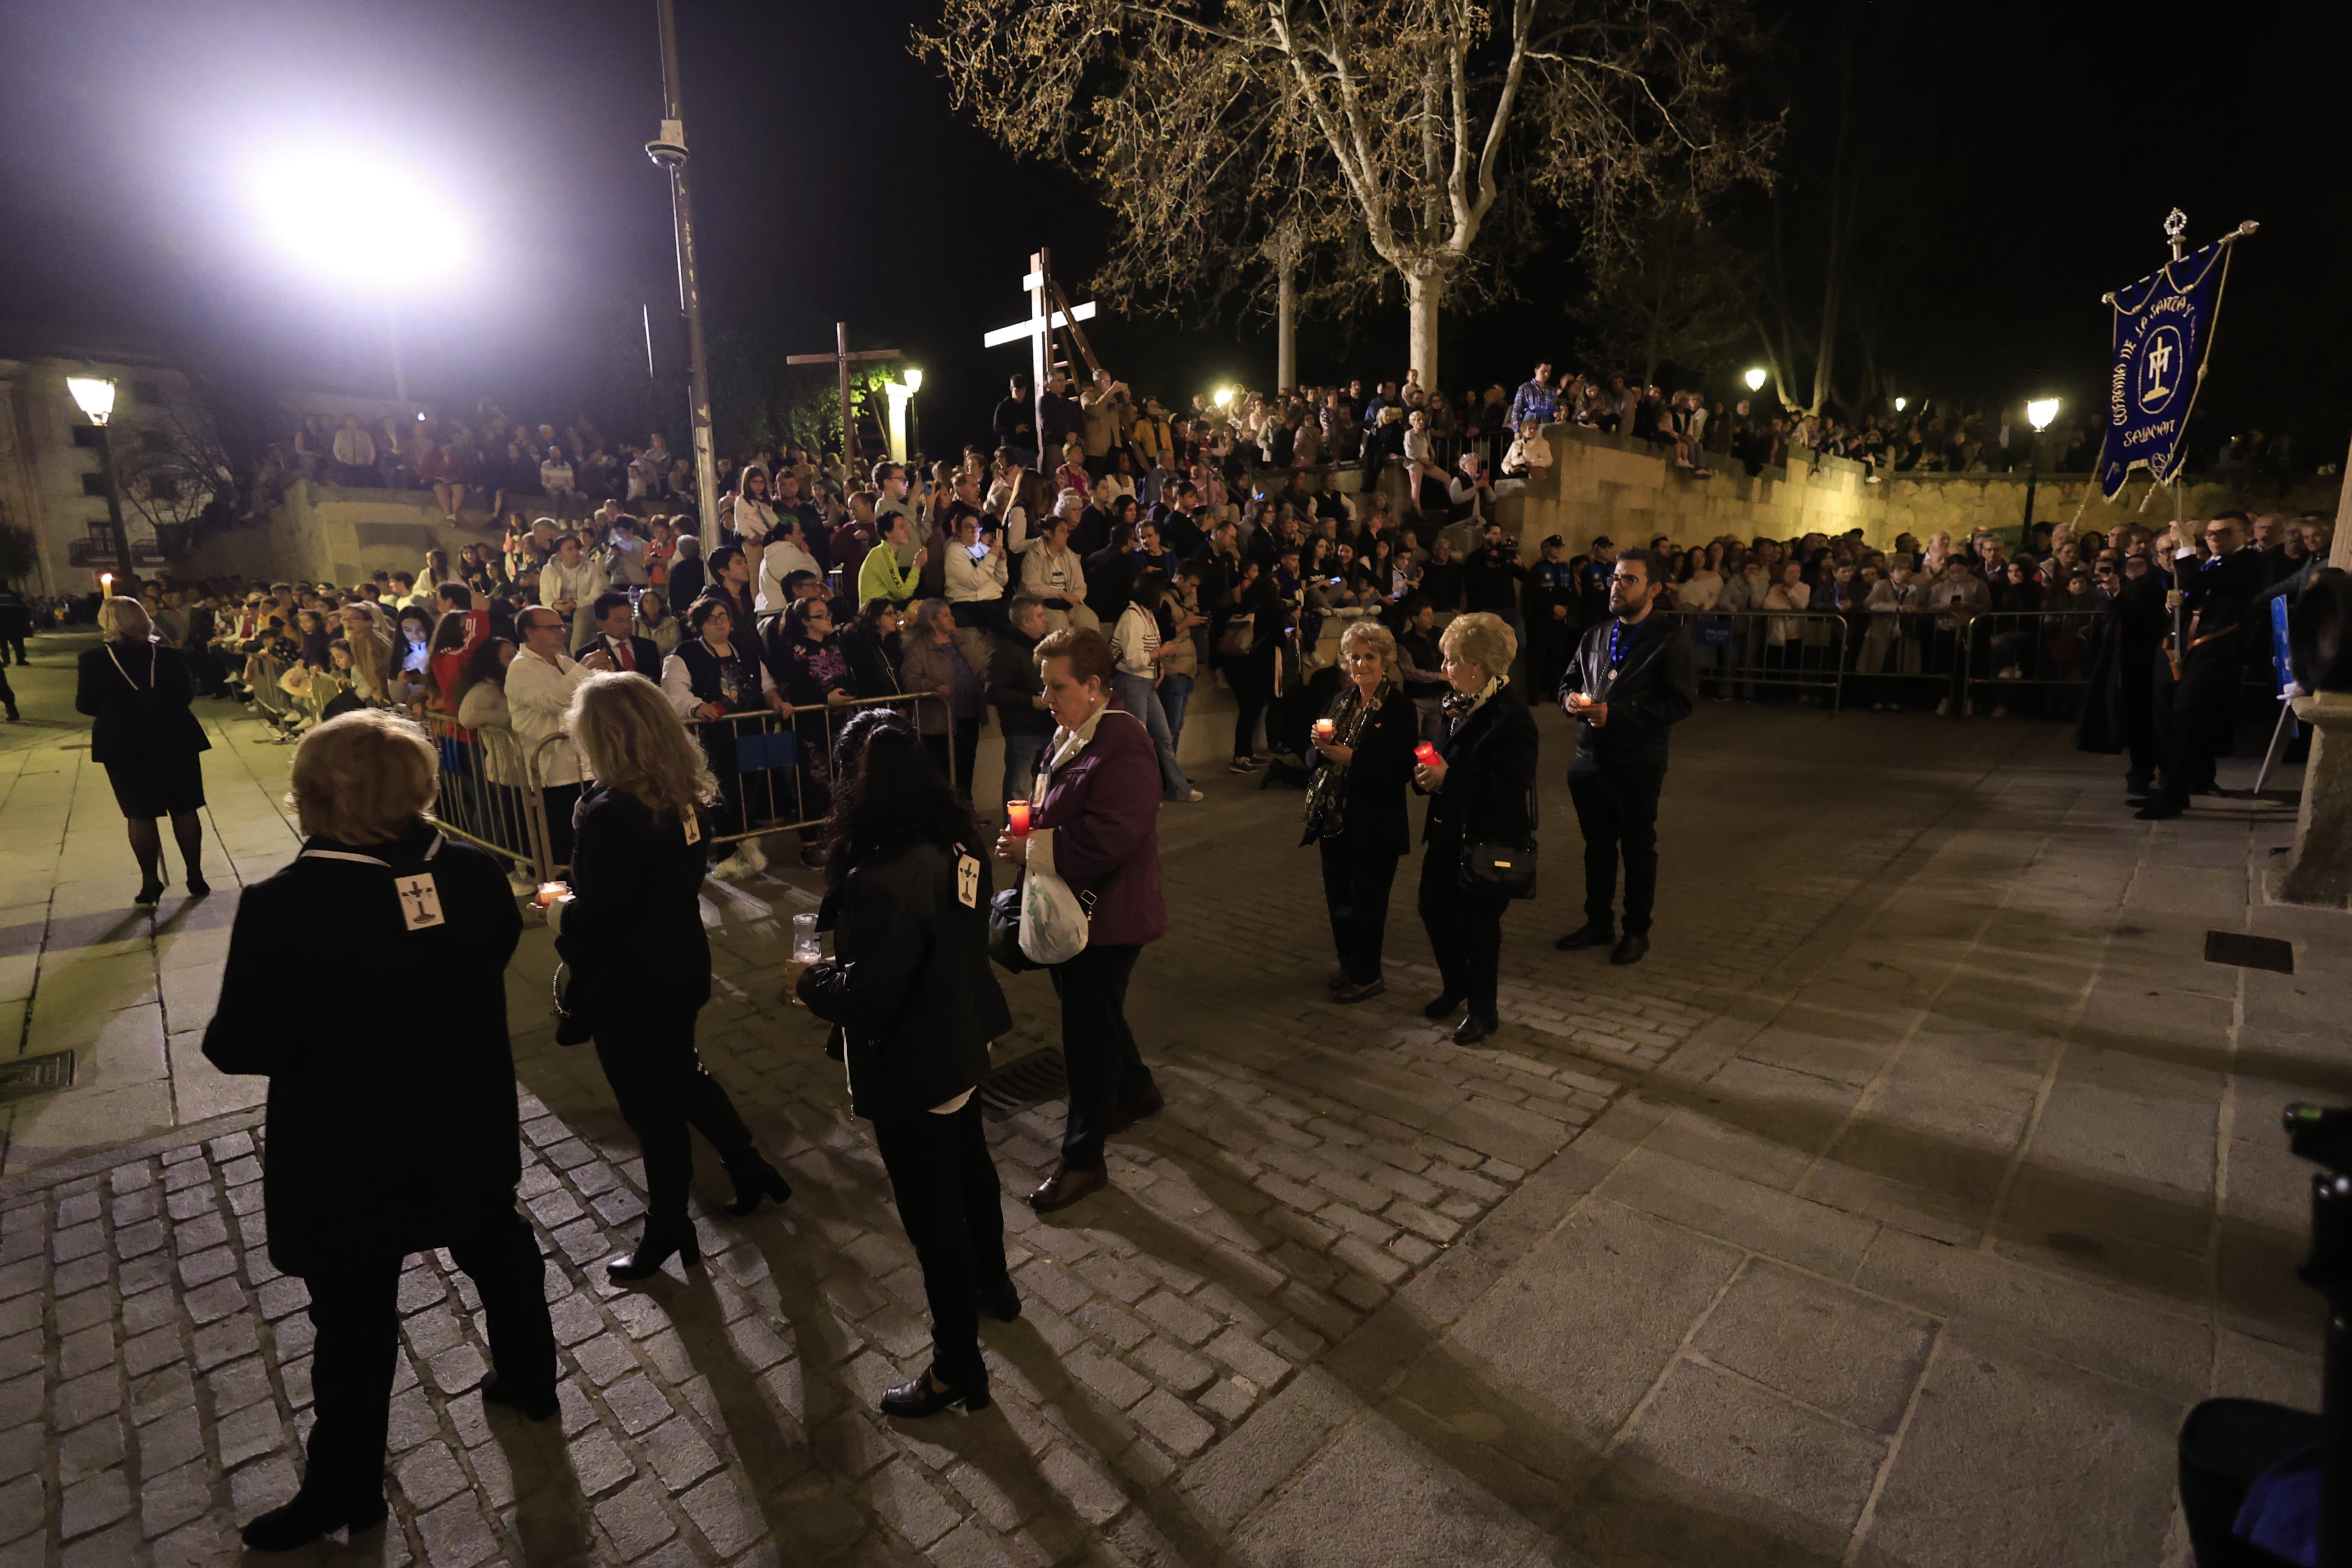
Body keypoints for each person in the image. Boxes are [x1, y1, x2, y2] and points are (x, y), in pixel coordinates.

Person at [203, 710, 556, 1551]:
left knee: (355, 1320)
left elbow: (241, 1041)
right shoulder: (472, 873)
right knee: (498, 1250)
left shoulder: (287, 904)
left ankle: (345, 1485)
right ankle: (531, 1377)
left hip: (350, 1145)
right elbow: (491, 951)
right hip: (461, 1118)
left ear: (317, 795)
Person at [792, 712, 1016, 1417]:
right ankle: (994, 1286)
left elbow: (871, 995)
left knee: (933, 1218)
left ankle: (957, 1367)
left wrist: (807, 983)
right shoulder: (955, 836)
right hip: (962, 1031)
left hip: (918, 1058)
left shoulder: (887, 872)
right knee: (972, 1165)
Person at [543, 674, 790, 1288]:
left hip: (631, 982)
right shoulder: (679, 794)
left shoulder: (610, 812)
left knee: (653, 1111)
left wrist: (556, 909)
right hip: (680, 962)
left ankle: (668, 1224)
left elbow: (603, 915)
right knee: (682, 1073)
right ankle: (750, 1166)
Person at [993, 627, 1165, 1212]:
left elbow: (1117, 833)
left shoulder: (1124, 742)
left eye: (1056, 686)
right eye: (1044, 685)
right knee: (1093, 1009)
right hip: (1071, 906)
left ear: (1094, 687)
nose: (1046, 697)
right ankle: (1137, 1090)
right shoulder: (1071, 730)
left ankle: (1083, 1159)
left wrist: (1034, 848)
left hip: (1106, 916)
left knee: (1086, 1036)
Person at [1554, 549, 1696, 966]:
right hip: (1588, 758)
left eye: (1628, 579)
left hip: (1638, 760)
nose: (1616, 586)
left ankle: (1637, 930)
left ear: (1654, 588)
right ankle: (1598, 922)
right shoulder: (1596, 635)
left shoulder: (1670, 638)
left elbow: (1681, 703)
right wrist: (1570, 703)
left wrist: (1618, 715)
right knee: (1597, 846)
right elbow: (1567, 682)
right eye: (1616, 577)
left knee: (1637, 847)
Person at [1414, 611, 1538, 1044]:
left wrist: (1450, 778)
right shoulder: (1459, 706)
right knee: (1432, 906)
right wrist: (1427, 774)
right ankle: (1457, 984)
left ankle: (1484, 1010)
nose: (1445, 669)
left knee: (1480, 927)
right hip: (1450, 831)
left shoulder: (1511, 717)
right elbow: (1447, 764)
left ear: (1476, 665)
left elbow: (1509, 786)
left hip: (1489, 840)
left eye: (1450, 661)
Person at [1302, 621, 1419, 1002]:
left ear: (1385, 661)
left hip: (1375, 823)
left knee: (1369, 902)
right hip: (1335, 819)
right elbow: (1312, 760)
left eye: (1370, 656)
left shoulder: (1399, 707)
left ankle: (1369, 973)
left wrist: (1354, 758)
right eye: (1355, 656)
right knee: (1340, 899)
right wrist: (1317, 746)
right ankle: (1349, 963)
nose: (1362, 664)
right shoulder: (1340, 702)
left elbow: (1403, 768)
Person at [76, 595, 212, 904]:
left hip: (124, 743)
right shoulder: (168, 655)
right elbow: (186, 695)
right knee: (185, 806)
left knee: (140, 814)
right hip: (175, 737)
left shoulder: (95, 660)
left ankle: (150, 881)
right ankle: (195, 874)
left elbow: (85, 704)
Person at [2142, 513, 2267, 820]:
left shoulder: (2248, 561)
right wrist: (2174, 602)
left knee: (2188, 718)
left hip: (2216, 648)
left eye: (2224, 532)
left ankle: (2174, 794)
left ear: (2244, 533)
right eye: (2210, 533)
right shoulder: (2211, 564)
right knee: (2167, 715)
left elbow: (2199, 582)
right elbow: (2192, 590)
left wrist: (2185, 547)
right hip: (2186, 644)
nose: (2214, 538)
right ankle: (2178, 783)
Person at [660, 596, 791, 879]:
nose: (721, 623)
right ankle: (727, 853)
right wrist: (696, 706)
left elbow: (766, 685)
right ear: (699, 625)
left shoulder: (747, 651)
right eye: (713, 618)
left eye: (724, 616)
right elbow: (674, 691)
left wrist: (776, 700)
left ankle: (742, 847)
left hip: (753, 731)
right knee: (723, 795)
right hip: (715, 739)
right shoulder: (684, 654)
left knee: (750, 793)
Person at [504, 605, 593, 866]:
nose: (561, 632)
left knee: (588, 838)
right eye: (552, 628)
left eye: (561, 626)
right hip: (553, 768)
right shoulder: (521, 668)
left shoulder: (565, 662)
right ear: (529, 632)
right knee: (563, 844)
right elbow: (550, 701)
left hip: (584, 764)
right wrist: (584, 670)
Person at [1109, 571, 1203, 803]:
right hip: (1132, 683)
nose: (1163, 599)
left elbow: (1149, 651)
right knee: (1138, 741)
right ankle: (1142, 792)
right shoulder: (1132, 617)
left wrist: (1159, 667)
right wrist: (1162, 654)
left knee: (1163, 738)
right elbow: (1132, 659)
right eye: (1161, 594)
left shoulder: (1147, 615)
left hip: (1146, 684)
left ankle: (1175, 786)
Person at [898, 598, 988, 798]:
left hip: (969, 714)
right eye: (945, 615)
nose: (952, 618)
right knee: (944, 771)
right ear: (932, 621)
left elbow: (978, 667)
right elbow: (910, 679)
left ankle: (967, 808)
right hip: (940, 721)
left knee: (967, 766)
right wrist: (934, 688)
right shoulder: (919, 649)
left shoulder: (963, 642)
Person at [988, 595, 1055, 819]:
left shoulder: (1046, 647)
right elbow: (994, 692)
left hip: (1048, 726)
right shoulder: (1006, 652)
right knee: (1019, 787)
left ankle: (1038, 825)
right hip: (1022, 730)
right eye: (1040, 616)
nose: (1045, 620)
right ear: (1026, 621)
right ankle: (1015, 832)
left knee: (1044, 784)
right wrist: (1030, 701)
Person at [577, 590, 658, 677]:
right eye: (619, 621)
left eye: (629, 619)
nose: (627, 626)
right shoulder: (588, 655)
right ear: (601, 623)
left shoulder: (648, 647)